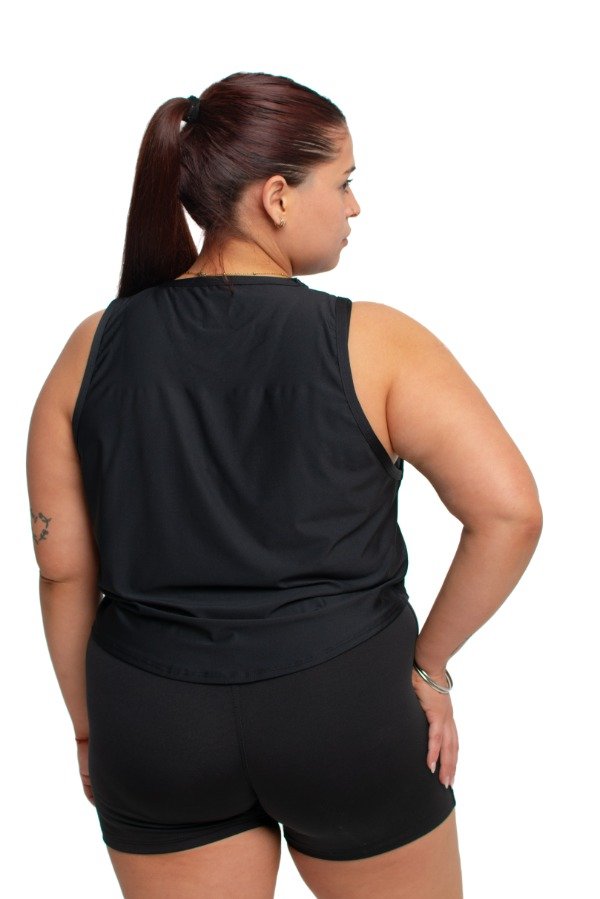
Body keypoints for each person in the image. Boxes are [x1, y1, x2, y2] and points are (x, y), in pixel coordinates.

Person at [26, 72, 543, 899]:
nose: (353, 206)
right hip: (345, 707)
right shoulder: (377, 342)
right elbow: (510, 513)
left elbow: (61, 570)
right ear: (276, 196)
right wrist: (430, 667)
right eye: (342, 182)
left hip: (154, 719)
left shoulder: (91, 348)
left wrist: (93, 727)